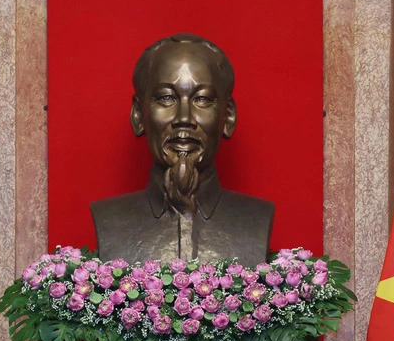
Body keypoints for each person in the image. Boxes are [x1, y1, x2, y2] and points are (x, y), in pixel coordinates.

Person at [90, 33, 274, 266]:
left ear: (228, 116)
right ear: (138, 115)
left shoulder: (256, 218)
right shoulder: (110, 219)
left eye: (202, 99)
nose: (184, 118)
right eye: (166, 98)